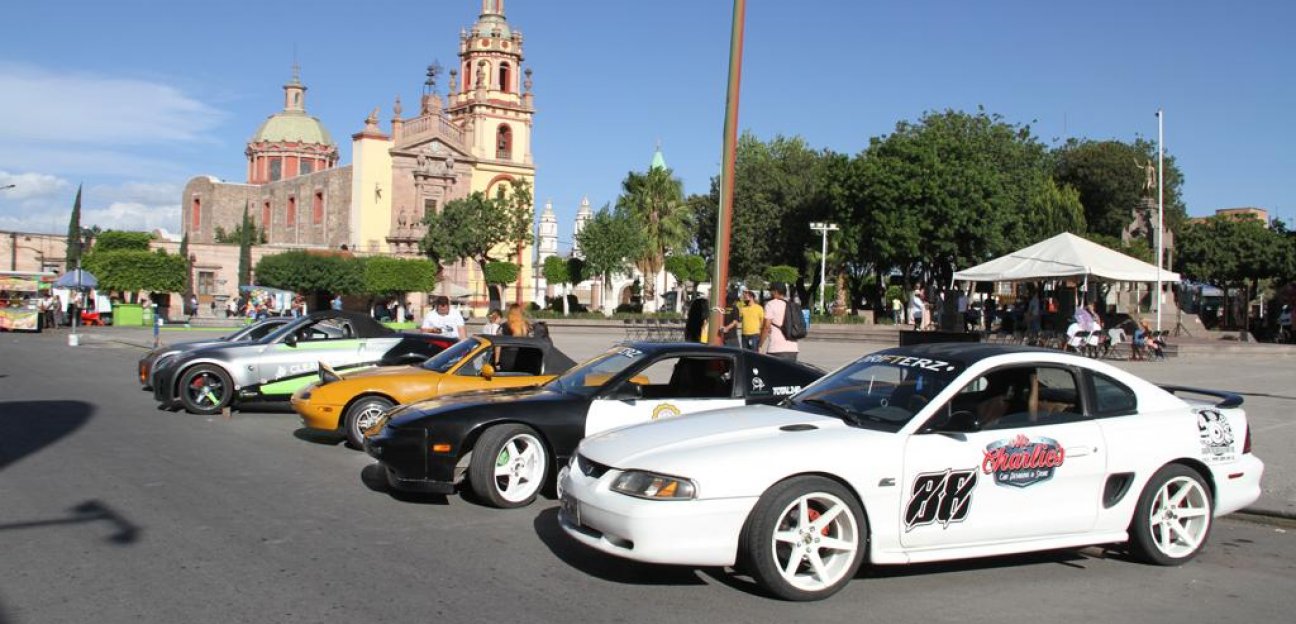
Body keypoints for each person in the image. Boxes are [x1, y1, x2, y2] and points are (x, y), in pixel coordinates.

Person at [760, 283, 799, 361]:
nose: (770, 293)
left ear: (775, 292)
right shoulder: (792, 305)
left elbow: (767, 326)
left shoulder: (771, 304)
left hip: (776, 349)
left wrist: (760, 344)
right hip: (793, 349)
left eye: (771, 291)